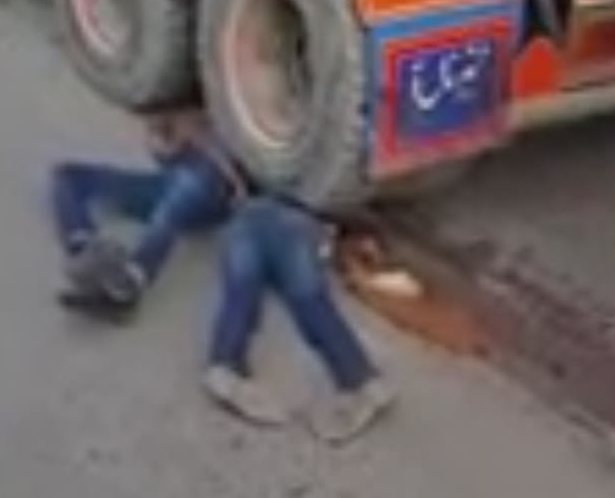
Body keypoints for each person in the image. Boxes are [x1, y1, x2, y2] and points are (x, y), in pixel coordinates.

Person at [204, 196, 395, 444]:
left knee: (242, 290)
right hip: (298, 219)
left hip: (250, 214)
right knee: (311, 301)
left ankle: (226, 364)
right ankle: (363, 380)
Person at [51, 108, 244, 323]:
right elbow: (163, 155)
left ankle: (131, 280)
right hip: (168, 185)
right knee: (66, 176)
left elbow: (241, 178)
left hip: (212, 191)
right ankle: (84, 248)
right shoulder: (169, 108)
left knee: (192, 181)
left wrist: (201, 138)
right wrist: (164, 137)